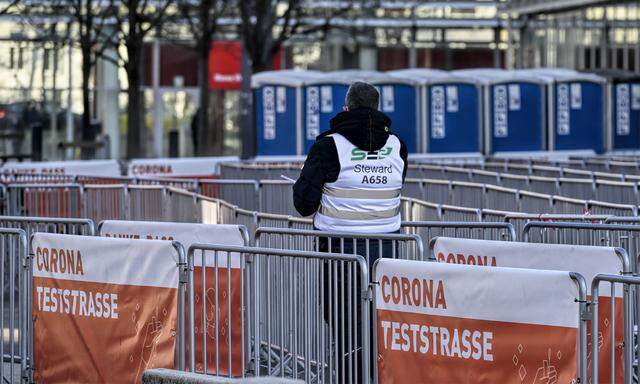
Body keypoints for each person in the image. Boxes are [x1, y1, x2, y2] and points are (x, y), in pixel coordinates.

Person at [293, 81, 408, 383]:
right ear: (377, 108)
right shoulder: (397, 145)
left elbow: (303, 204)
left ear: (346, 108)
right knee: (378, 322)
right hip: (387, 251)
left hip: (340, 250)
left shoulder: (328, 145)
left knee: (345, 324)